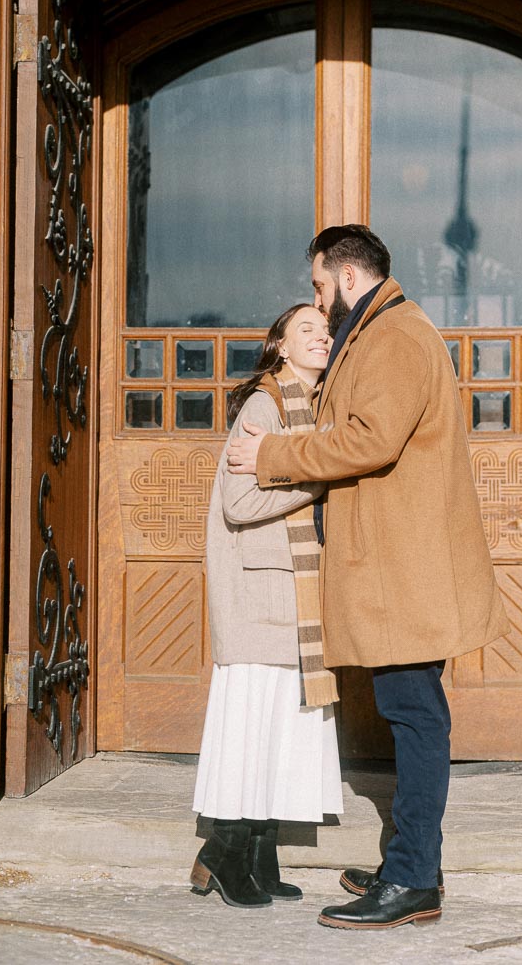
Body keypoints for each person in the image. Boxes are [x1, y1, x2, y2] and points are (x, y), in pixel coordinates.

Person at [227, 225, 510, 931]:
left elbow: (370, 439)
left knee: (415, 718)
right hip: (397, 568)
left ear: (348, 277)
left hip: (406, 571)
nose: (319, 305)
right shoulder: (381, 330)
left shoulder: (394, 335)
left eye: (321, 287)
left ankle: (414, 879)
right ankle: (414, 863)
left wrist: (272, 454)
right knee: (411, 714)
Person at [190, 303, 343, 910]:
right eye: (306, 328)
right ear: (279, 346)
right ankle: (226, 857)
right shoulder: (265, 404)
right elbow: (239, 505)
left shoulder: (310, 406)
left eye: (326, 328)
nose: (322, 335)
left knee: (283, 725)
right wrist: (320, 476)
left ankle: (259, 856)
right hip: (261, 592)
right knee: (255, 723)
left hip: (290, 590)